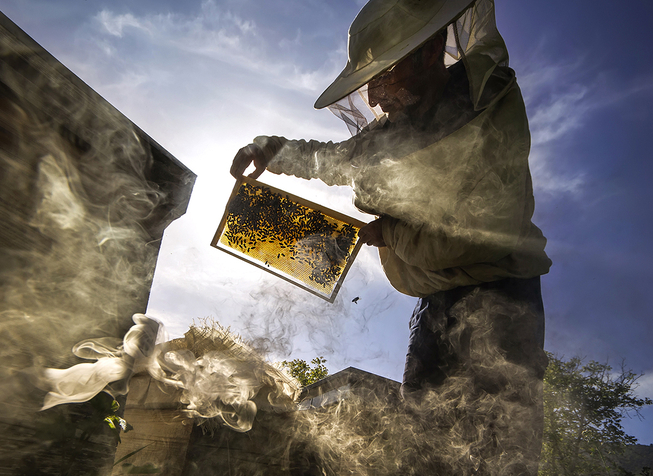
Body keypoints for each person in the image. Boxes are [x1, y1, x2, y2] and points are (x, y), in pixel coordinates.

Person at [230, 0, 551, 474]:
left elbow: (488, 232)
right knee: (423, 444)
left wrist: (388, 233)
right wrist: (272, 150)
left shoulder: (488, 103)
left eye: (382, 77)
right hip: (432, 299)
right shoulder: (392, 129)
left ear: (425, 53)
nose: (375, 98)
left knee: (499, 446)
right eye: (369, 83)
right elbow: (332, 159)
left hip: (500, 297)